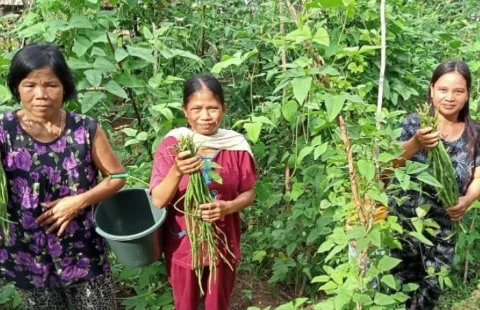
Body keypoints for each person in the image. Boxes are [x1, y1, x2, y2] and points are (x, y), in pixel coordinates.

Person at [0, 42, 126, 309]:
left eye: (51, 85)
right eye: (29, 85)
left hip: (83, 250)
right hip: (27, 254)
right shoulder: (4, 131)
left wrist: (79, 201)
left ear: (65, 87)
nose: (41, 94)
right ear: (16, 88)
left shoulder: (85, 128)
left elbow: (117, 176)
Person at [149, 73, 257, 310]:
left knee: (217, 305)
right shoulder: (174, 144)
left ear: (224, 109)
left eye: (213, 108)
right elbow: (157, 200)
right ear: (185, 110)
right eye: (197, 108)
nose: (205, 116)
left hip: (222, 245)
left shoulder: (236, 146)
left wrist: (227, 207)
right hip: (183, 247)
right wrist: (177, 170)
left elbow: (248, 192)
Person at [391, 60, 480, 310]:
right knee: (397, 290)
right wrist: (415, 143)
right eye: (443, 89)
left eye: (458, 91)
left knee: (431, 291)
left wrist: (468, 199)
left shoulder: (476, 133)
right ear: (431, 90)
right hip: (404, 226)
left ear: (468, 94)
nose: (450, 97)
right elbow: (387, 166)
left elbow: (479, 176)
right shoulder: (413, 125)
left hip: (443, 230)